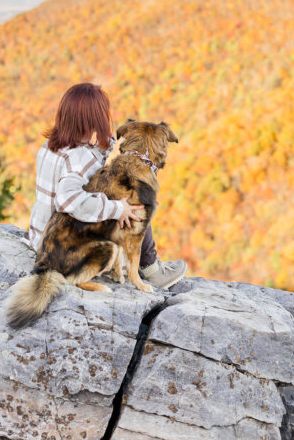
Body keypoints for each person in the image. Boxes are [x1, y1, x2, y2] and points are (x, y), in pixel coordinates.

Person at [25, 82, 188, 288]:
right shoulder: (80, 157)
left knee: (124, 195)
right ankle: (149, 268)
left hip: (42, 237)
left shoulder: (50, 145)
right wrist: (117, 209)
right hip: (68, 247)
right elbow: (68, 199)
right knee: (135, 202)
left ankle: (135, 263)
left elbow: (82, 172)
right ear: (95, 119)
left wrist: (108, 146)